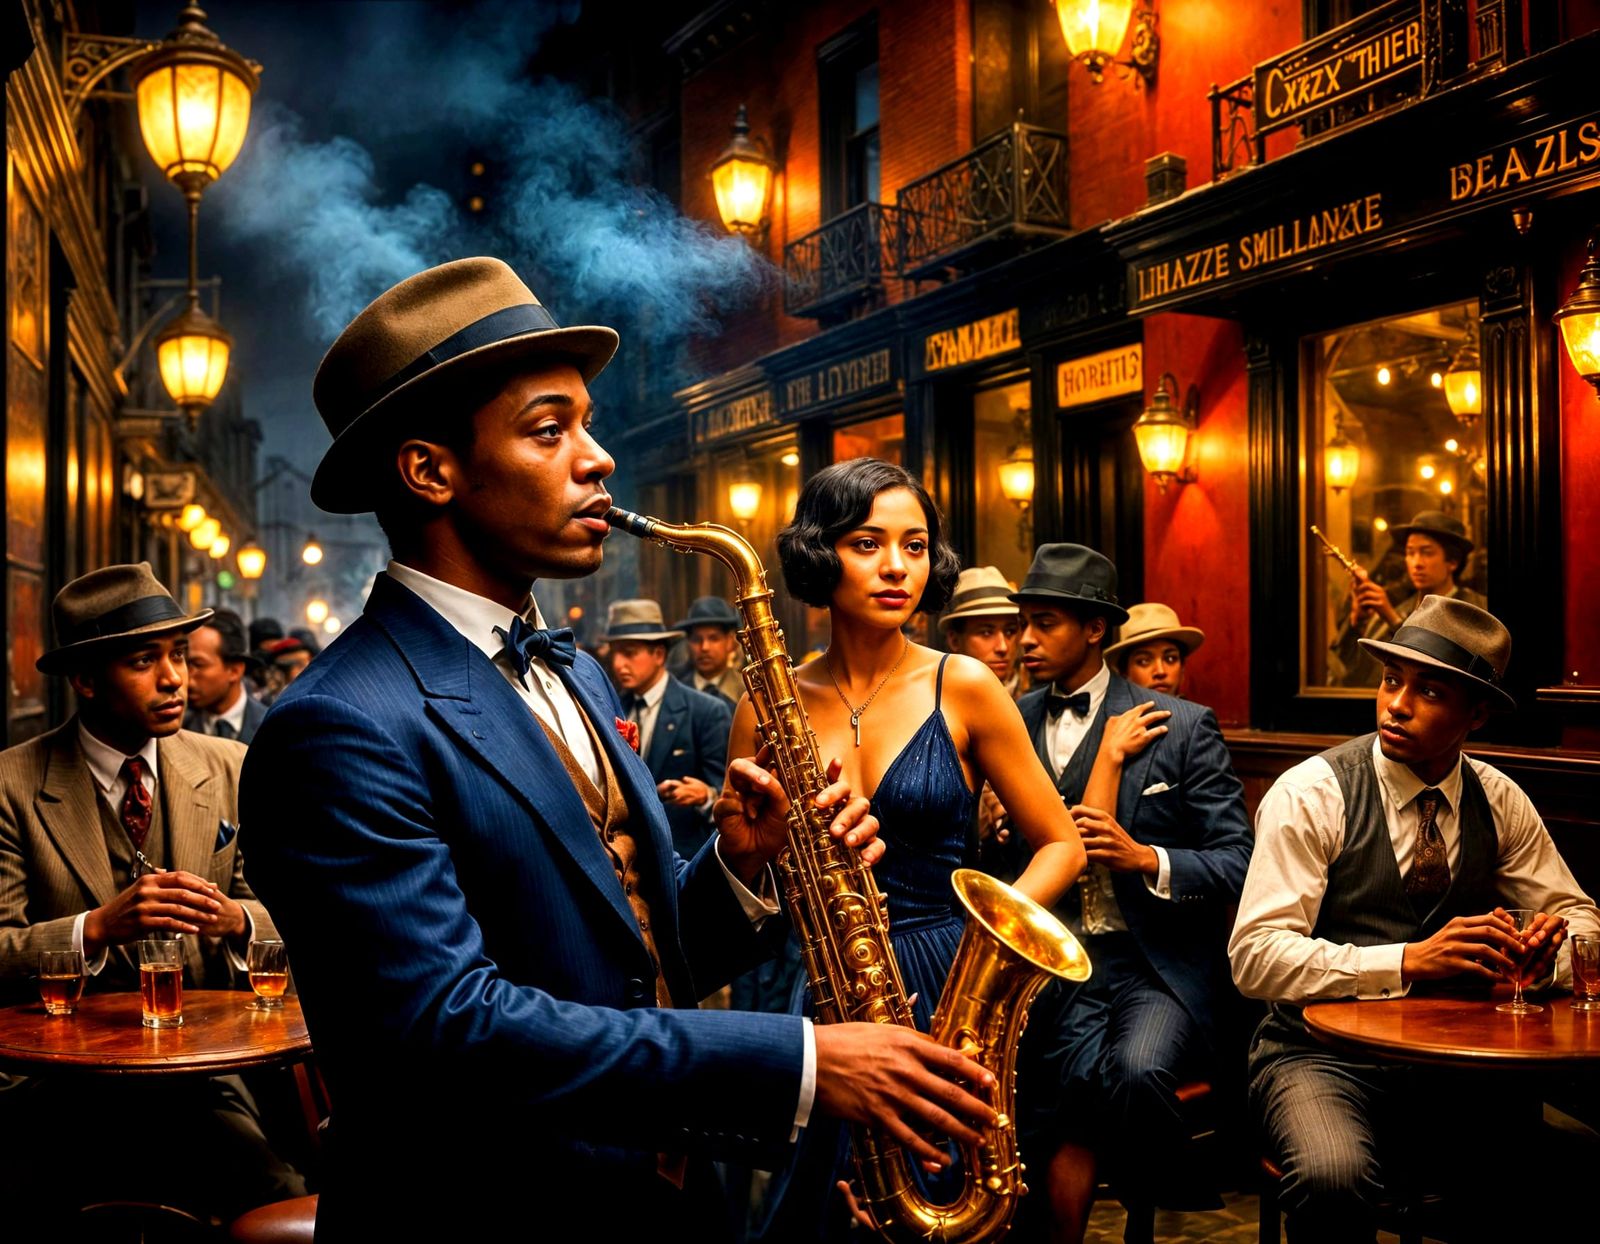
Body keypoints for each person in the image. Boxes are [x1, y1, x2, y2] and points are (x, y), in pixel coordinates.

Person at [237, 258, 998, 1239]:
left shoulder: (581, 674)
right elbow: (452, 1026)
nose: (596, 458)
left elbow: (626, 955)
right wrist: (804, 1060)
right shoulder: (336, 722)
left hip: (659, 1196)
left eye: (587, 425)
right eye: (550, 430)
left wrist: (741, 864)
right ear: (429, 469)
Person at [747, 458, 1086, 1242]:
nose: (898, 566)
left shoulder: (963, 682)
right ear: (818, 555)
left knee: (960, 1211)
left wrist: (982, 955)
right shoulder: (767, 702)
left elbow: (1061, 844)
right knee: (842, 1208)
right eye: (868, 543)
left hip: (955, 978)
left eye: (916, 545)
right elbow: (754, 884)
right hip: (837, 991)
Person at [1230, 596, 1598, 1242]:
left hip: (1458, 1066)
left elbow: (1581, 918)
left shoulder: (1498, 798)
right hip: (1317, 1058)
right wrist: (1405, 960)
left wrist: (1550, 956)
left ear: (1476, 713)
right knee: (1332, 1176)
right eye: (1389, 680)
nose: (1395, 704)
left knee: (1566, 1170)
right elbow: (1255, 955)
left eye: (1428, 691)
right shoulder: (1312, 793)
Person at [0, 564, 302, 1226]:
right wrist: (95, 929)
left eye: (179, 657)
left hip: (207, 1072)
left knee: (274, 1192)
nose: (174, 679)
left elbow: (294, 917)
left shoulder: (230, 767)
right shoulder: (14, 783)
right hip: (59, 1082)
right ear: (84, 679)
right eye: (144, 660)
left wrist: (232, 919)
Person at [1009, 544, 1253, 1244]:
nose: (1025, 638)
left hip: (1152, 966)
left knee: (1139, 1072)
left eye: (1045, 622)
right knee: (1033, 1092)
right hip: (1050, 962)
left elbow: (1239, 860)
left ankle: (1150, 1218)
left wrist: (1147, 857)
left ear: (1093, 630)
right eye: (1024, 621)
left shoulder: (1182, 725)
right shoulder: (1009, 718)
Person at [606, 598, 732, 859]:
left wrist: (706, 795)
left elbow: (728, 794)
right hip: (627, 860)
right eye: (614, 653)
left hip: (686, 858)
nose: (618, 664)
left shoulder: (706, 710)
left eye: (629, 653)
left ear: (659, 654)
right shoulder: (609, 708)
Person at [1330, 510, 1487, 686]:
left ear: (1452, 562)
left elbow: (1443, 671)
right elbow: (1352, 674)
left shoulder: (1472, 608)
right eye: (1410, 552)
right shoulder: (1403, 607)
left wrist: (1392, 619)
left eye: (1427, 553)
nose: (1416, 563)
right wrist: (1357, 622)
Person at [939, 566, 1024, 876]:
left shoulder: (1035, 702)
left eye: (1010, 631)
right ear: (954, 639)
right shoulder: (934, 707)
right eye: (986, 632)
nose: (1002, 646)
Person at [183, 608, 268, 742]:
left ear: (235, 671)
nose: (186, 677)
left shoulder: (274, 728)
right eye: (184, 663)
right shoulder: (177, 731)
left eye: (198, 665)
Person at [1103, 601, 1205, 699]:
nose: (1160, 671)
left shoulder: (1200, 715)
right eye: (1144, 661)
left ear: (1182, 670)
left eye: (1170, 659)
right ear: (1124, 673)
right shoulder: (1110, 715)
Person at [672, 595, 747, 705]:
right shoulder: (674, 688)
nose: (704, 647)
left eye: (714, 639)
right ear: (688, 643)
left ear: (730, 643)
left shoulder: (745, 692)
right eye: (696, 639)